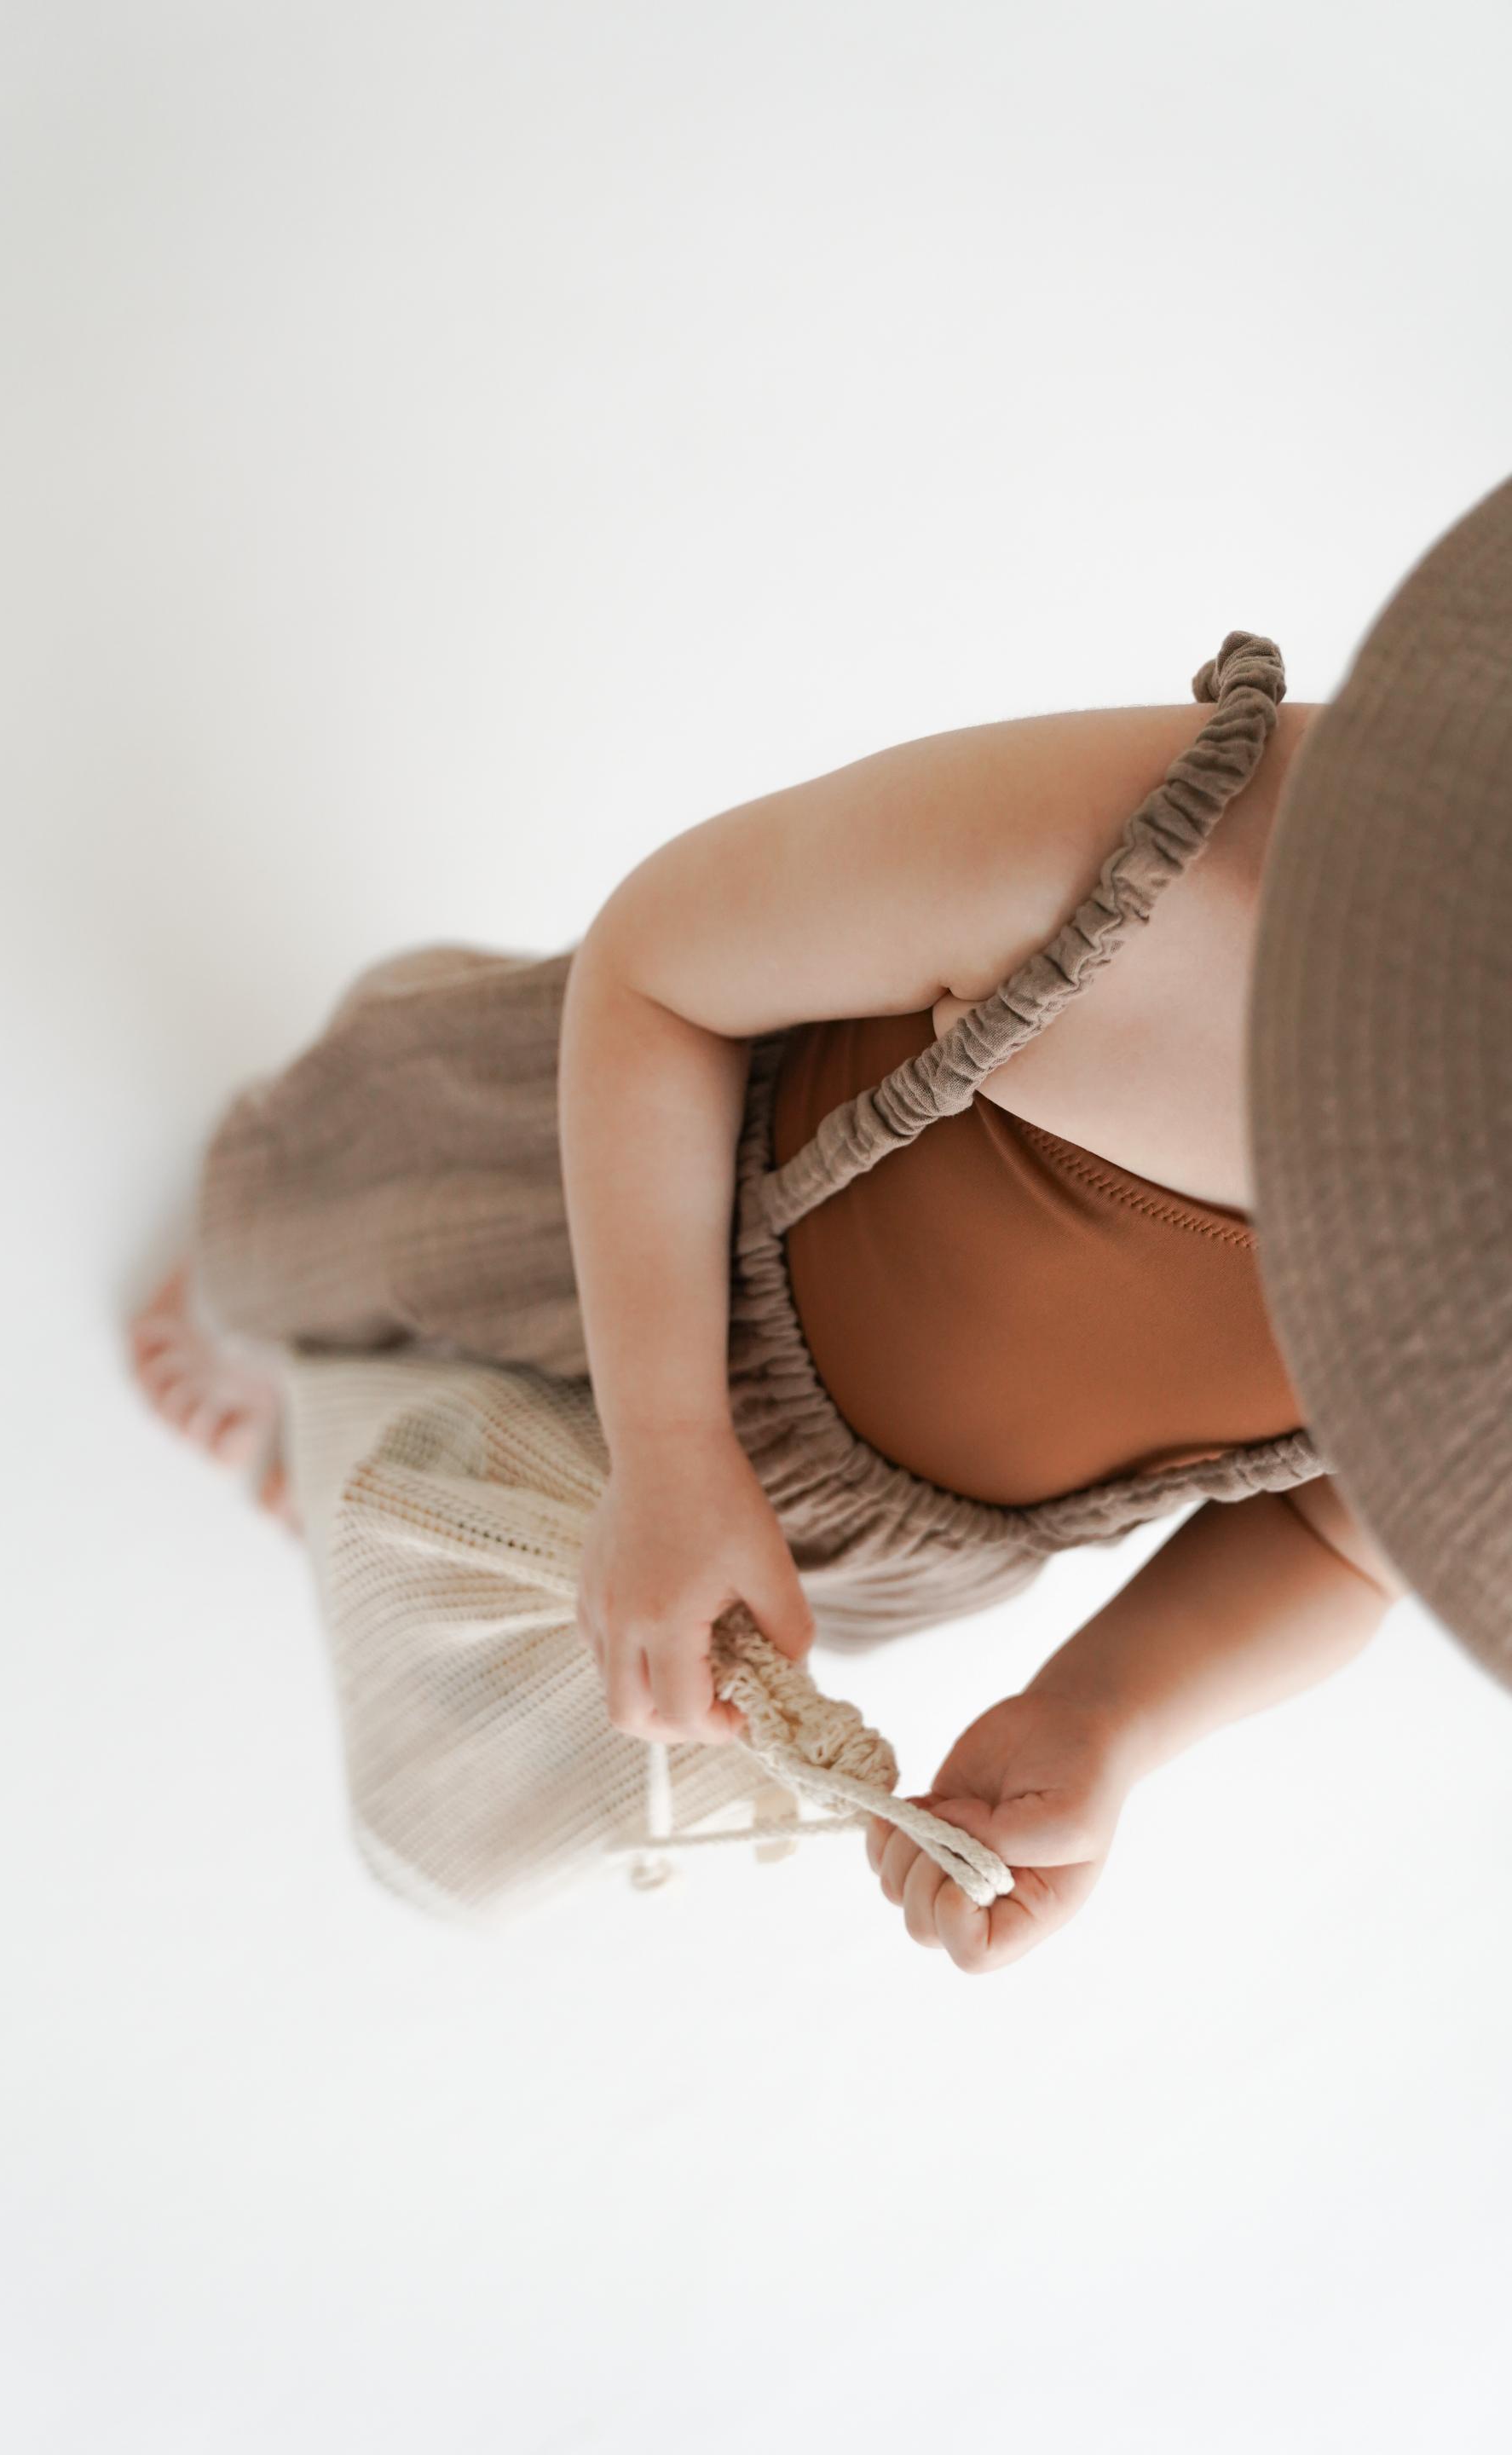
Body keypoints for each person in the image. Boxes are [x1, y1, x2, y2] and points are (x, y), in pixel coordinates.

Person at [128, 634, 1406, 1970]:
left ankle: (353, 1441)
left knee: (562, 1580)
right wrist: (671, 1444)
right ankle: (258, 1326)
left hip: (877, 1529)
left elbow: (1339, 1538)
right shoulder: (1175, 876)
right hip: (627, 1195)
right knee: (331, 1227)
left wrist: (1105, 1709)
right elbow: (660, 974)